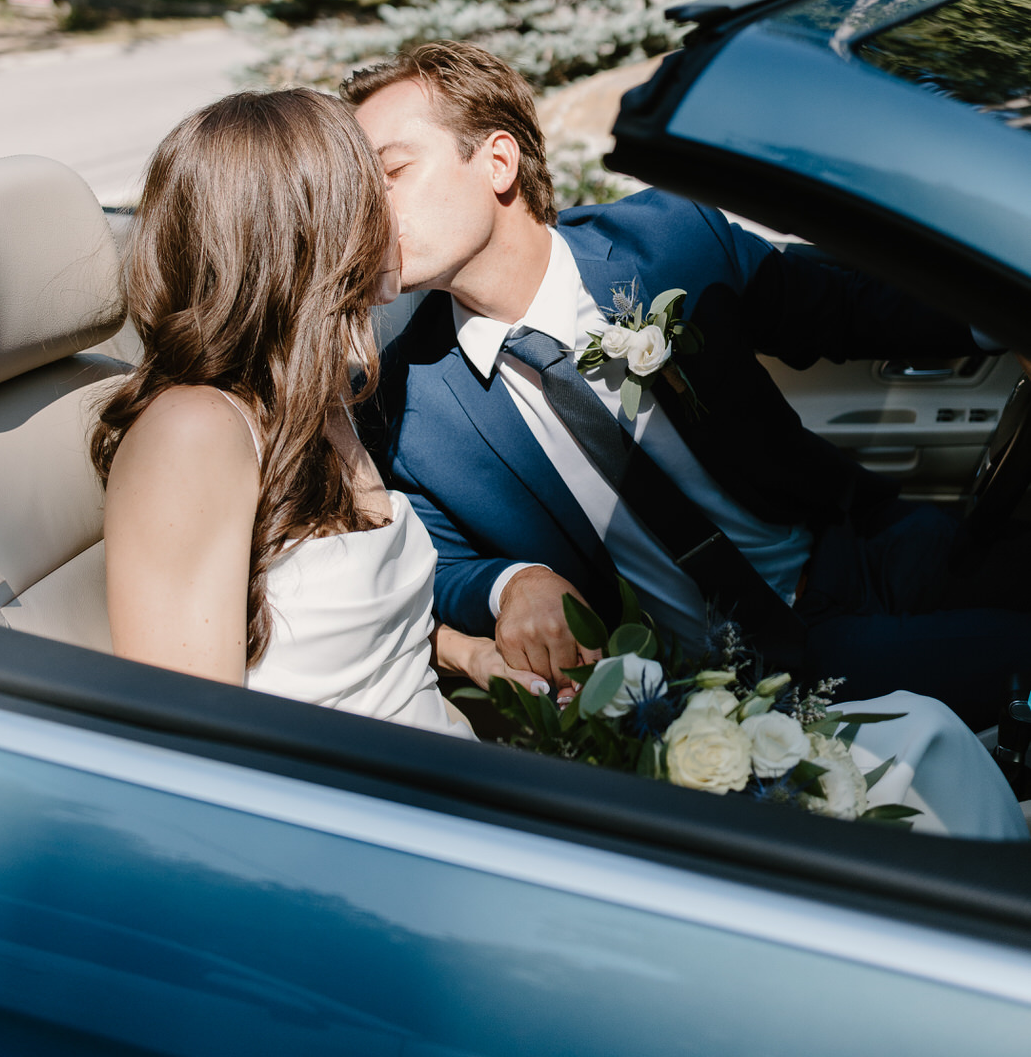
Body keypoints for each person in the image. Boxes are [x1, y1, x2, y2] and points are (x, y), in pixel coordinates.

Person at [346, 42, 1031, 734]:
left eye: (392, 171)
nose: (368, 210)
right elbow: (423, 562)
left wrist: (1008, 313)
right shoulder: (403, 402)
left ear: (498, 162)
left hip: (859, 551)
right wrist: (508, 583)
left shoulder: (666, 242)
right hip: (728, 686)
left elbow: (846, 309)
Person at [94, 89, 546, 736]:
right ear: (308, 230)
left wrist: (466, 652)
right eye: (371, 190)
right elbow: (189, 739)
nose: (390, 216)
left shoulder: (322, 396)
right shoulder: (194, 431)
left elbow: (324, 628)